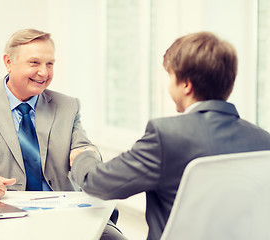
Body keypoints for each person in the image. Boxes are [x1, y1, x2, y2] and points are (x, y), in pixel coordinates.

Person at [69, 31, 270, 240]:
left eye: (170, 76)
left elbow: (99, 183)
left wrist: (83, 156)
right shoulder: (264, 140)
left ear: (186, 85)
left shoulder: (166, 136)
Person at [0, 29, 124, 240]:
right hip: (1, 218)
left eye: (50, 64)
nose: (44, 73)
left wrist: (87, 154)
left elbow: (83, 148)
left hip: (66, 214)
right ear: (8, 62)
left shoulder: (68, 106)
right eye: (34, 63)